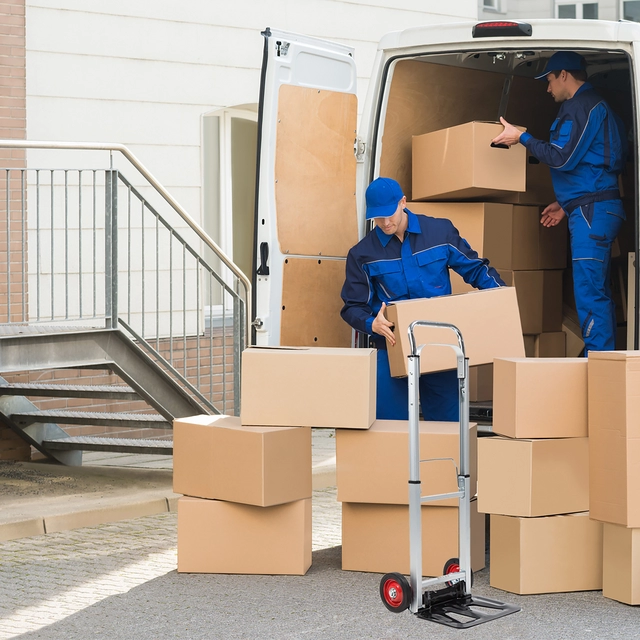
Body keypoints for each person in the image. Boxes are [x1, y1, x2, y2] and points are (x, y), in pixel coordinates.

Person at [492, 51, 627, 353]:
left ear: (564, 75)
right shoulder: (601, 107)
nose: (548, 88)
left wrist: (521, 138)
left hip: (592, 213)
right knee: (597, 290)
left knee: (590, 293)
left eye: (550, 80)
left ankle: (600, 368)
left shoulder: (579, 107)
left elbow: (561, 156)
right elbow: (595, 163)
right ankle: (605, 364)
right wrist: (565, 204)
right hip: (594, 207)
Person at [340, 177, 505, 422]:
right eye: (377, 217)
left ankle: (444, 461)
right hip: (392, 347)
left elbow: (476, 270)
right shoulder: (362, 254)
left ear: (403, 202)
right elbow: (353, 306)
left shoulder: (440, 232)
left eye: (389, 215)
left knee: (447, 424)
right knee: (389, 425)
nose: (385, 223)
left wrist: (501, 298)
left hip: (440, 344)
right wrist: (370, 324)